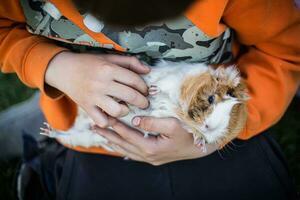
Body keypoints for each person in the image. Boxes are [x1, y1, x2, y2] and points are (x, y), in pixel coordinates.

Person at [0, 0, 299, 199]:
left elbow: (286, 51)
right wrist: (51, 66)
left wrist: (216, 137)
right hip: (88, 127)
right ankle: (42, 127)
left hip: (209, 130)